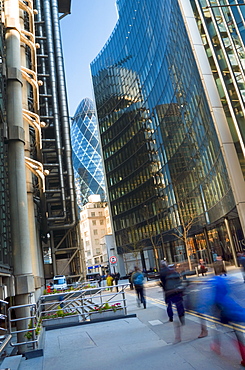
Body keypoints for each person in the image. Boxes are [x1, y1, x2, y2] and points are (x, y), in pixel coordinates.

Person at [199, 275, 245, 367]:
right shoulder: (225, 289)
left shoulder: (214, 286)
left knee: (220, 330)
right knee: (237, 333)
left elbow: (208, 300)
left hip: (223, 312)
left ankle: (216, 346)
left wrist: (202, 309)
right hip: (232, 309)